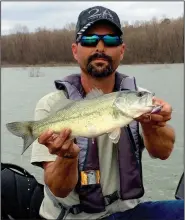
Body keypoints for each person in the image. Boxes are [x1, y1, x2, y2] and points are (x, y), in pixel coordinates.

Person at [3, 5, 183, 220]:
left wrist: (152, 123)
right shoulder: (51, 104)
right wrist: (68, 156)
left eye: (111, 40)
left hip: (128, 213)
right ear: (75, 50)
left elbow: (163, 152)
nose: (101, 47)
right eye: (89, 40)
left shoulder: (138, 97)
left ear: (122, 50)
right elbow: (59, 189)